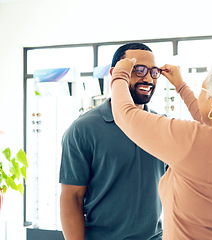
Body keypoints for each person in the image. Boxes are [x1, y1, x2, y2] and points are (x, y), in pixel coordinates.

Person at [111, 57, 212, 239]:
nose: (200, 94)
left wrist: (120, 73)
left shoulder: (193, 140)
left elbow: (125, 115)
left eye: (202, 89)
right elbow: (211, 122)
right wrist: (180, 85)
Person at [59, 43, 166, 240]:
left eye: (154, 71)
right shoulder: (83, 129)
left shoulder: (163, 125)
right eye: (138, 69)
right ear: (115, 73)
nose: (148, 78)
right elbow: (71, 197)